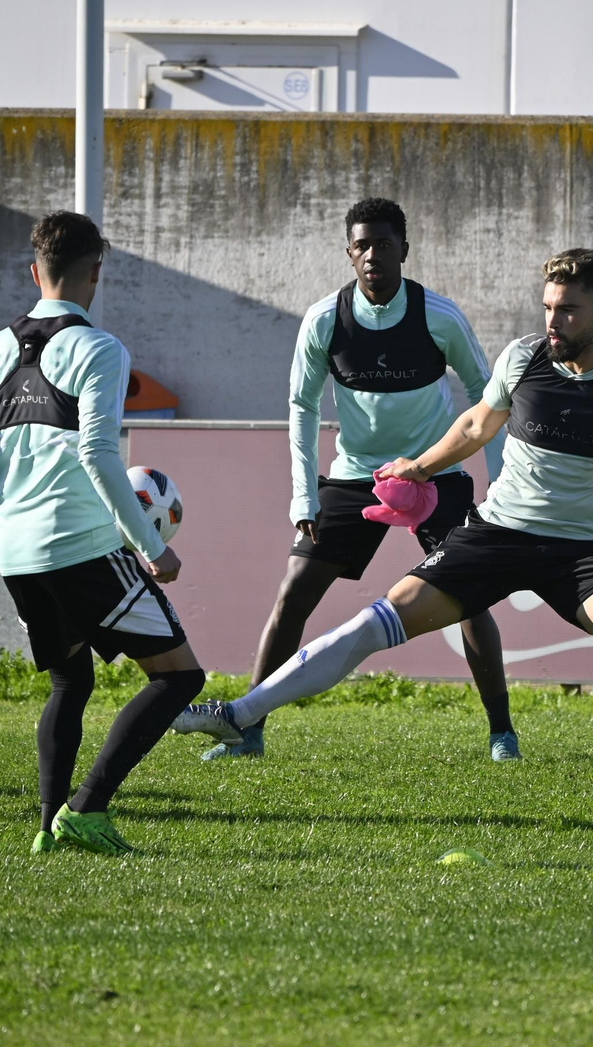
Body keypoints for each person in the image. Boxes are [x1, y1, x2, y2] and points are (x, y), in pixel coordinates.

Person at [174, 249, 593, 832]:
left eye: (567, 310)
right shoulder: (522, 359)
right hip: (494, 534)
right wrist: (422, 466)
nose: (553, 321)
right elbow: (473, 424)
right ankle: (238, 715)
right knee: (371, 625)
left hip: (575, 552)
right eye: (548, 307)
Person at [0, 211, 205, 855]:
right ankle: (86, 809)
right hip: (81, 546)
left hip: (15, 552)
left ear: (35, 271)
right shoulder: (99, 349)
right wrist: (151, 548)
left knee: (71, 682)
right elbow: (100, 455)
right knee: (180, 678)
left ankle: (50, 826)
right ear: (95, 275)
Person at [207, 197, 517, 762]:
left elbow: (488, 396)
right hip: (355, 479)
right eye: (361, 245)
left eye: (383, 243)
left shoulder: (439, 316)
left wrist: (496, 490)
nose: (372, 254)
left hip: (434, 475)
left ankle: (502, 733)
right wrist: (304, 494)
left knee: (471, 600)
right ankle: (247, 730)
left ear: (404, 247)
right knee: (293, 593)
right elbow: (300, 406)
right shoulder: (325, 319)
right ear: (349, 253)